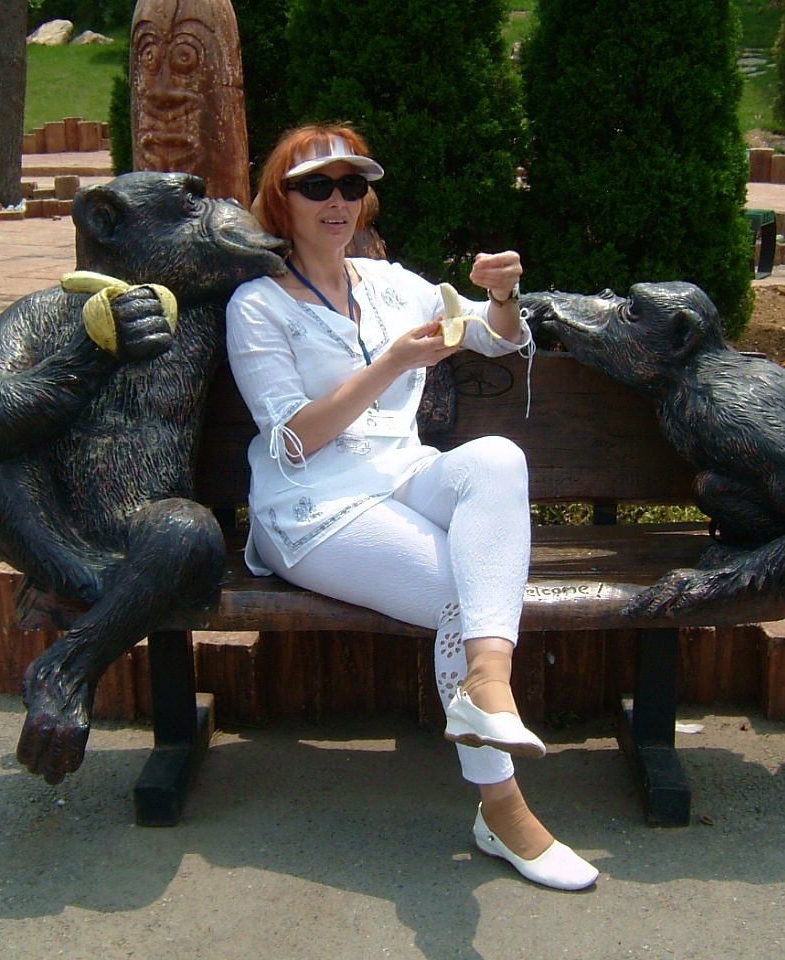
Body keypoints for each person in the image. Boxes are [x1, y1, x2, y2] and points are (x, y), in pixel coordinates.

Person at [225, 123, 598, 891]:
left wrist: (502, 294)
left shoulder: (391, 284)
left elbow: (495, 338)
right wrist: (392, 362)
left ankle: (488, 685)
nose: (337, 201)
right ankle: (503, 810)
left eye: (351, 185)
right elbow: (293, 441)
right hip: (314, 507)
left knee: (498, 458)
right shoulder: (257, 305)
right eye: (317, 186)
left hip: (400, 475)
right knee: (464, 594)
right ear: (281, 200)